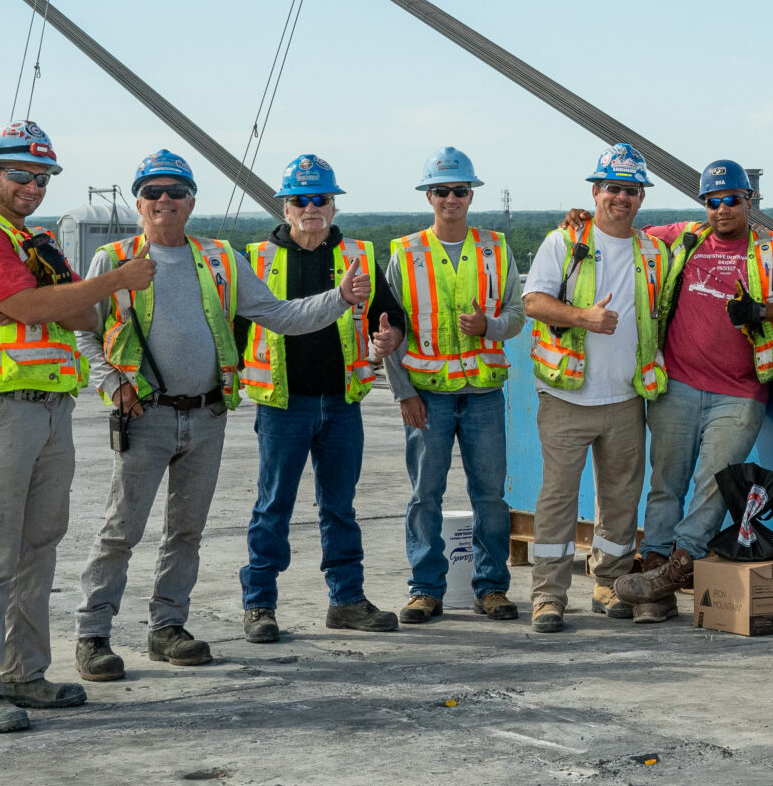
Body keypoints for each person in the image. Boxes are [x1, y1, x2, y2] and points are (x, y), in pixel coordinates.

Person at [76, 151, 365, 680]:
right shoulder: (114, 259)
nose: (164, 201)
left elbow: (279, 315)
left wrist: (339, 299)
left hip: (207, 415)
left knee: (186, 531)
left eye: (175, 192)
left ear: (191, 201)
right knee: (121, 530)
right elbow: (84, 328)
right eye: (153, 192)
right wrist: (111, 381)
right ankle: (93, 634)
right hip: (145, 415)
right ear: (138, 202)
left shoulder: (220, 259)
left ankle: (167, 626)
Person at [0, 122, 150, 733]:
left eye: (42, 178)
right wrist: (109, 281)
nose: (33, 186)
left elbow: (80, 311)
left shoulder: (34, 243)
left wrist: (36, 296)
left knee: (37, 549)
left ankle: (23, 674)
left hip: (52, 410)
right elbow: (49, 306)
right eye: (20, 175)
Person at [609, 160, 773, 620]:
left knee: (713, 486)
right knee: (665, 484)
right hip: (678, 384)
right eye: (713, 201)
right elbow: (622, 230)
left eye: (732, 200)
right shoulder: (684, 238)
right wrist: (581, 220)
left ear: (750, 202)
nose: (722, 209)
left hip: (740, 392)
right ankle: (656, 586)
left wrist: (762, 312)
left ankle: (674, 569)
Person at [236, 154, 409, 644]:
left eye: (321, 199)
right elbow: (235, 327)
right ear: (285, 208)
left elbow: (389, 316)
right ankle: (260, 605)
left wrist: (390, 337)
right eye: (300, 200)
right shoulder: (257, 259)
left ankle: (347, 600)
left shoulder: (357, 255)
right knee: (273, 506)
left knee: (340, 507)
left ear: (333, 206)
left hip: (340, 402)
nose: (311, 208)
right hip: (282, 404)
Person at [519, 144, 674, 634]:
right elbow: (534, 302)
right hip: (567, 395)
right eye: (613, 188)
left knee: (621, 499)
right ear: (595, 191)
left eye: (631, 190)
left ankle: (608, 582)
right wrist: (582, 317)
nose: (621, 198)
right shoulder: (564, 243)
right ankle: (548, 596)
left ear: (642, 197)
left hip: (627, 396)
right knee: (558, 500)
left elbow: (705, 233)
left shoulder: (654, 250)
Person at [384, 147, 526, 625]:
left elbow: (517, 316)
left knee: (490, 496)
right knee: (426, 494)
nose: (451, 198)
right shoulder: (405, 254)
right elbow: (387, 332)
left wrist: (489, 326)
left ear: (471, 195)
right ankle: (425, 589)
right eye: (442, 190)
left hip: (484, 392)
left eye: (459, 191)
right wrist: (403, 391)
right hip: (428, 396)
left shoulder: (496, 248)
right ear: (429, 195)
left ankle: (492, 588)